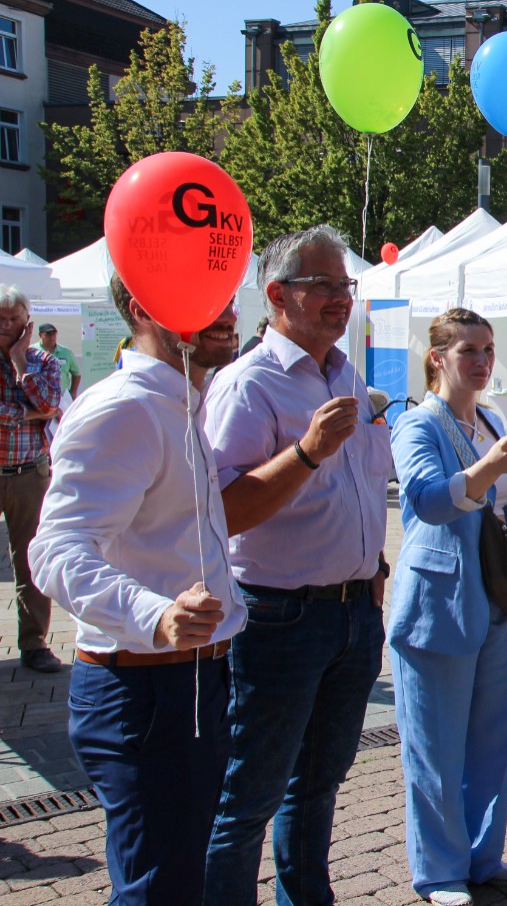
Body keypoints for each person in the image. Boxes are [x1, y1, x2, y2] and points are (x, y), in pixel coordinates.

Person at [29, 274, 245, 905]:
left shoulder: (179, 400)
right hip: (146, 690)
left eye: (226, 294)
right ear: (137, 308)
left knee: (175, 881)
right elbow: (55, 548)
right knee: (159, 891)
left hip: (186, 683)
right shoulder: (126, 406)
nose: (224, 311)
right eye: (197, 296)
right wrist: (154, 613)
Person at [202, 225, 393, 904]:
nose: (341, 298)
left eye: (346, 285)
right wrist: (307, 451)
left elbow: (365, 484)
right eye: (325, 285)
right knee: (248, 796)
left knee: (317, 786)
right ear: (277, 294)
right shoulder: (247, 385)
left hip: (350, 614)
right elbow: (224, 509)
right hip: (278, 618)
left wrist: (372, 569)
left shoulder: (344, 370)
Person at [388, 309, 507, 906]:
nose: (481, 361)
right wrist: (490, 467)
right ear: (438, 358)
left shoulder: (492, 418)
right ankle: (439, 870)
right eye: (468, 350)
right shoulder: (415, 424)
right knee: (436, 744)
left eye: (488, 349)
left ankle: (483, 853)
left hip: (500, 596)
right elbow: (425, 501)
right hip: (440, 601)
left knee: (494, 737)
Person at [0, 287, 62, 673]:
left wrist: (20, 364)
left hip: (29, 474)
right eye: (0, 319)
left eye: (12, 319)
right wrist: (25, 415)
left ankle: (35, 642)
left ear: (27, 323)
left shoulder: (42, 360)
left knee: (31, 561)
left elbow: (51, 404)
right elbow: (37, 411)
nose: (6, 326)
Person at [38, 323, 81, 400]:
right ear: (41, 335)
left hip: (62, 396)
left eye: (54, 334)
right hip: (39, 397)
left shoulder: (66, 352)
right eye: (48, 334)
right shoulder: (32, 351)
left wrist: (73, 392)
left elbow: (76, 374)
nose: (52, 337)